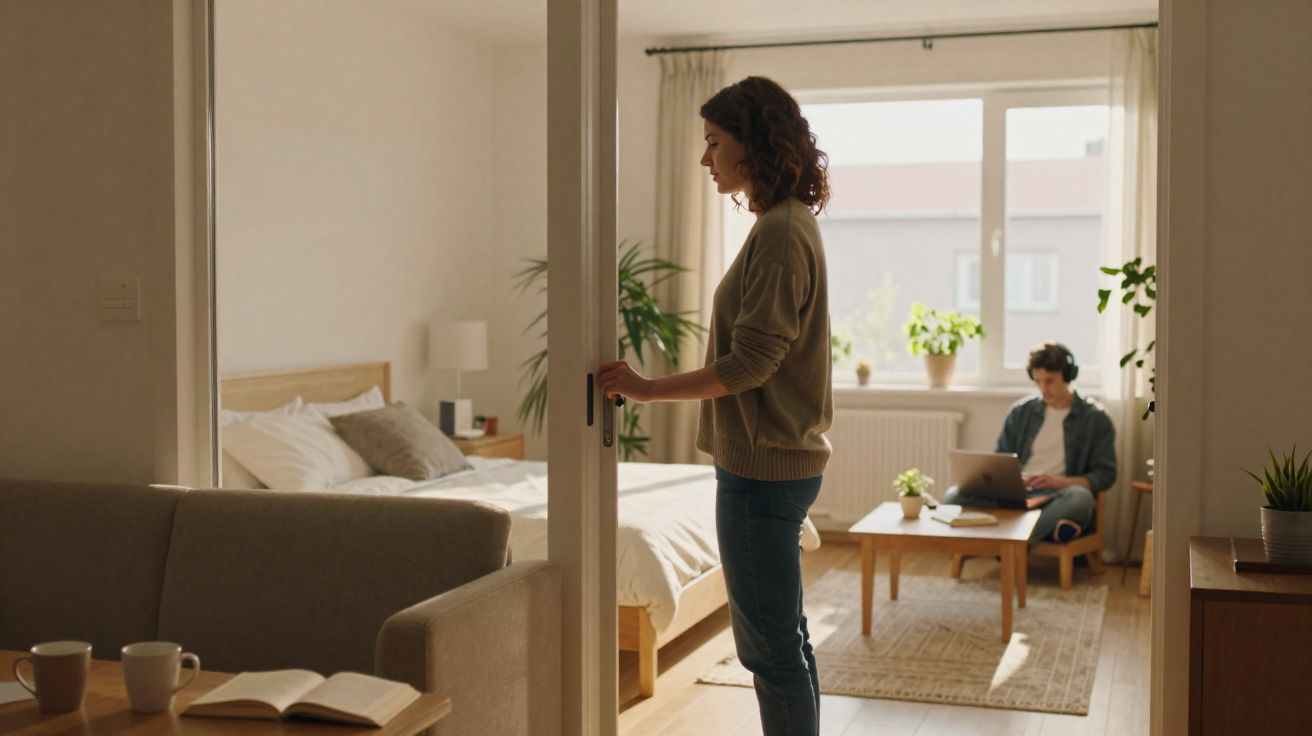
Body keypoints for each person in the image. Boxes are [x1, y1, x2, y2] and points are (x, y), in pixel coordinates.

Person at [597, 76, 831, 736]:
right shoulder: (782, 225)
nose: (706, 160)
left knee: (769, 650)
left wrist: (643, 389)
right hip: (771, 463)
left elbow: (752, 363)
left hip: (764, 471)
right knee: (785, 638)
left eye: (713, 142)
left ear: (752, 144)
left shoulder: (783, 233)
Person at [943, 342, 1117, 545]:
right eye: (1038, 381)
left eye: (1050, 381)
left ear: (1068, 375)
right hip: (1017, 494)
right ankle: (1047, 531)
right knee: (953, 496)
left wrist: (1058, 482)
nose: (1044, 389)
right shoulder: (1020, 412)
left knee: (1081, 499)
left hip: (1058, 494)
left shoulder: (1095, 418)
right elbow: (1001, 459)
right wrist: (1012, 480)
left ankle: (1009, 545)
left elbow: (1105, 476)